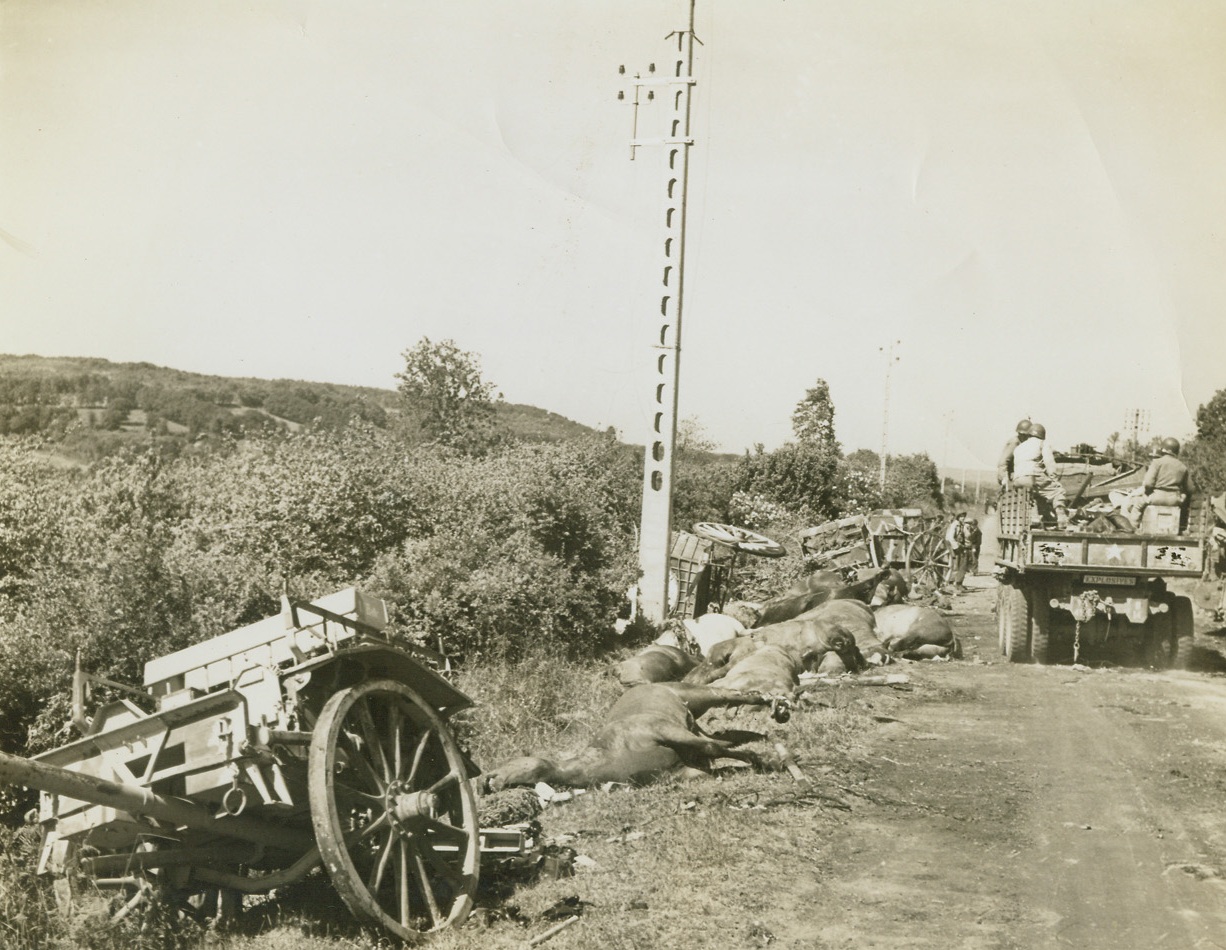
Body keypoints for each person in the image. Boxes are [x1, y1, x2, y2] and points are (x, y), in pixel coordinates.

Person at [1122, 437, 1191, 530]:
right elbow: (1190, 488)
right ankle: (1182, 528)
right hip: (1174, 500)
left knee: (1137, 506)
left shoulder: (1157, 462)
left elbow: (1148, 483)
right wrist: (1182, 496)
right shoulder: (1182, 467)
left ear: (1164, 449)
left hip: (1156, 497)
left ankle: (1132, 529)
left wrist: (1147, 493)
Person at [1010, 422, 1069, 528]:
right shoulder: (1042, 444)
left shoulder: (1019, 447)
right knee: (1058, 491)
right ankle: (1061, 517)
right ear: (1042, 435)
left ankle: (1034, 517)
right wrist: (1053, 478)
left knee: (1035, 495)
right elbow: (1049, 462)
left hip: (1018, 479)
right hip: (1032, 475)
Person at [997, 419, 1032, 489]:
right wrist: (1003, 479)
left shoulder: (1026, 444)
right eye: (1021, 434)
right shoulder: (1014, 442)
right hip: (1012, 477)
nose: (1023, 437)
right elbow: (1003, 462)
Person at [944, 511, 970, 587]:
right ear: (958, 518)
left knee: (962, 565)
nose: (963, 518)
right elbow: (950, 537)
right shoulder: (955, 525)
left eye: (964, 517)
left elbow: (967, 535)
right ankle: (951, 584)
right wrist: (956, 547)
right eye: (961, 517)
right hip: (954, 547)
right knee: (955, 566)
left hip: (959, 546)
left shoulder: (962, 525)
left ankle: (958, 583)